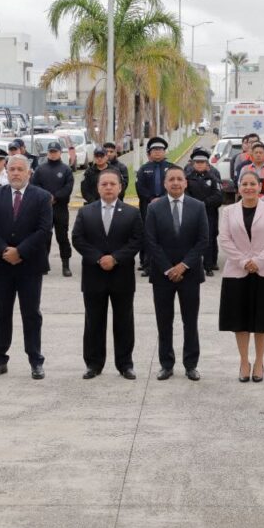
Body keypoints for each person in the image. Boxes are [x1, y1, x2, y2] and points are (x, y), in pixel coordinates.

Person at [0, 155, 53, 380]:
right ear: (6, 172)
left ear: (29, 173)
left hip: (29, 266)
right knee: (2, 314)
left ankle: (35, 361)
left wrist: (19, 252)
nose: (15, 173)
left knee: (31, 314)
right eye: (12, 169)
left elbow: (44, 231)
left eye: (20, 169)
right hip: (1, 265)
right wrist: (4, 251)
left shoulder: (41, 197)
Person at [71, 168, 143, 380]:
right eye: (105, 184)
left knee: (124, 321)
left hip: (122, 276)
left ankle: (125, 364)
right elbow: (78, 239)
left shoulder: (132, 213)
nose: (109, 187)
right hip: (94, 275)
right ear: (98, 187)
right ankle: (93, 364)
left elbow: (137, 240)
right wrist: (98, 258)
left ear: (120, 188)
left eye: (113, 184)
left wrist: (116, 258)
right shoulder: (86, 212)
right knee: (93, 321)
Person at [218, 170, 264, 383]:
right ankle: (244, 361)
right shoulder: (229, 211)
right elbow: (225, 239)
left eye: (252, 184)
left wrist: (258, 261)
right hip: (237, 272)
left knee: (263, 320)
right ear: (239, 188)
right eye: (244, 184)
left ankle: (259, 362)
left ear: (259, 187)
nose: (248, 187)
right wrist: (244, 261)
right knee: (240, 320)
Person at [145, 165, 208, 381]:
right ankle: (166, 364)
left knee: (190, 321)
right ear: (164, 184)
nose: (175, 183)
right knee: (164, 321)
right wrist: (168, 268)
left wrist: (183, 266)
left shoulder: (198, 206)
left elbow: (203, 240)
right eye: (171, 179)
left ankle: (191, 364)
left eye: (179, 179)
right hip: (162, 275)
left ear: (185, 182)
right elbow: (151, 242)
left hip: (189, 274)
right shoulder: (154, 208)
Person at [31, 141, 75, 277]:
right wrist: (46, 198)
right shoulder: (40, 169)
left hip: (60, 208)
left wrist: (55, 197)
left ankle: (66, 265)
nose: (53, 154)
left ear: (60, 152)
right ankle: (43, 264)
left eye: (55, 151)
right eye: (51, 151)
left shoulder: (66, 169)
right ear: (48, 153)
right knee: (44, 237)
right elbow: (34, 185)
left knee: (62, 237)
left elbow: (68, 187)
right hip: (44, 209)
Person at [136, 137, 172, 277]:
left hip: (166, 205)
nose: (157, 152)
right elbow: (140, 188)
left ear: (164, 152)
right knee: (148, 235)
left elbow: (173, 186)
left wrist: (162, 199)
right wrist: (152, 199)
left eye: (160, 150)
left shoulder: (171, 167)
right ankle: (147, 265)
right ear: (149, 153)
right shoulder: (144, 169)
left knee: (165, 234)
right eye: (154, 150)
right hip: (147, 205)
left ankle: (165, 264)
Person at [185, 148, 222, 277]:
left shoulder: (213, 179)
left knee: (209, 238)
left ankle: (209, 265)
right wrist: (195, 205)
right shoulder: (187, 179)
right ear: (193, 164)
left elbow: (218, 197)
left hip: (209, 213)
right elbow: (185, 195)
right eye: (197, 162)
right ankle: (192, 265)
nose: (200, 164)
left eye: (202, 162)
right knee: (191, 240)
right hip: (192, 214)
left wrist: (203, 203)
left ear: (207, 164)